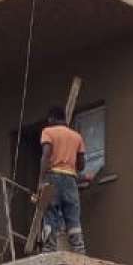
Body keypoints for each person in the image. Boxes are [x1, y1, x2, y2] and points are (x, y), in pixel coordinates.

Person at [38, 106, 87, 255]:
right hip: (71, 180)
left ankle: (49, 249)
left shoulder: (48, 132)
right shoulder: (77, 136)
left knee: (50, 213)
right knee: (72, 215)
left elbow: (46, 156)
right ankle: (79, 249)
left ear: (52, 118)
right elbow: (81, 165)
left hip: (52, 177)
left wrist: (41, 181)